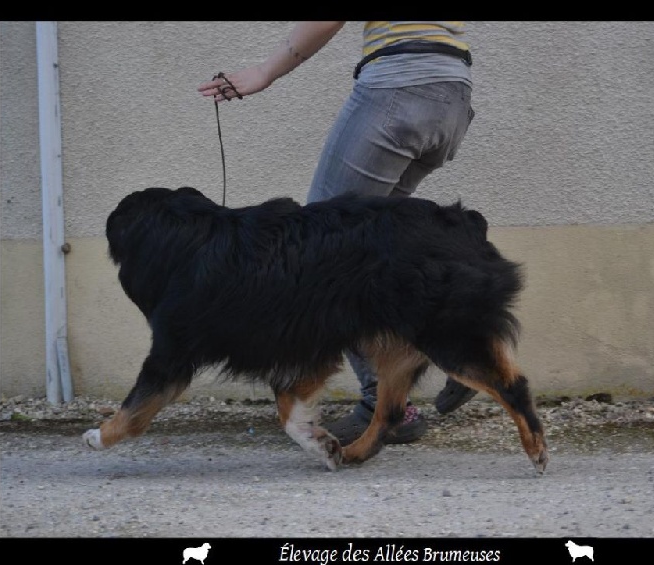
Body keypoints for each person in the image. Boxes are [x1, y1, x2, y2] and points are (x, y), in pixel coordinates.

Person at [198, 21, 479, 445]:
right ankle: (464, 346)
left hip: (399, 87)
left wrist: (264, 72)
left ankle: (386, 404)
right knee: (378, 251)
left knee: (320, 246)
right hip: (452, 92)